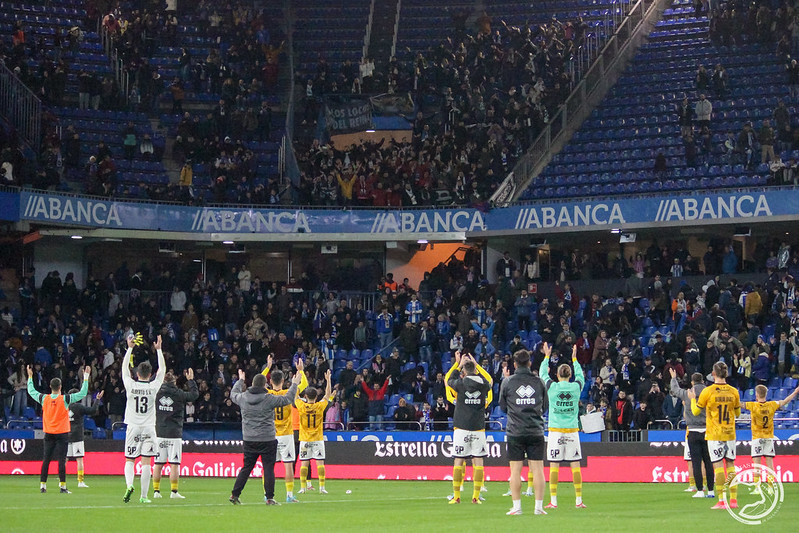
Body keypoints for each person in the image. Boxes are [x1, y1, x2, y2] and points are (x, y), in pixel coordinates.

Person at [229, 364, 301, 505]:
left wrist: (240, 381)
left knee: (246, 468)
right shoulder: (268, 398)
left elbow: (232, 395)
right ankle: (269, 498)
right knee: (268, 468)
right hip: (267, 438)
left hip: (249, 438)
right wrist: (294, 384)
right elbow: (287, 399)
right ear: (265, 385)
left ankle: (234, 494)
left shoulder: (243, 397)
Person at [27, 364, 91, 493]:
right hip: (62, 433)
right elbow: (83, 393)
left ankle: (43, 486)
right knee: (61, 460)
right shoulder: (66, 399)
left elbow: (31, 391)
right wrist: (86, 377)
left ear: (50, 387)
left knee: (46, 460)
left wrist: (30, 377)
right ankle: (62, 486)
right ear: (60, 387)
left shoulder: (44, 398)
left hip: (49, 433)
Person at [499, 350, 548, 516]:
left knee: (515, 471)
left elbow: (503, 407)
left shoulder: (507, 382)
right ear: (529, 363)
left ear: (514, 364)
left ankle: (517, 507)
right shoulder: (539, 382)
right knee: (538, 469)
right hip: (535, 430)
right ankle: (539, 507)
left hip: (515, 431)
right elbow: (545, 406)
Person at [688, 361, 741, 510]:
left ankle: (722, 501)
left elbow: (696, 412)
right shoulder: (733, 391)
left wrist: (693, 399)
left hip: (714, 434)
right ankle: (734, 501)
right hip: (730, 433)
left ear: (713, 374)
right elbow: (737, 413)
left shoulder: (708, 391)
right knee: (731, 466)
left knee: (718, 468)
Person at [540, 343, 586, 509]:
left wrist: (546, 357)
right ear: (570, 374)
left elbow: (542, 374)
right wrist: (575, 359)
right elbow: (581, 377)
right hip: (572, 431)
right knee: (575, 466)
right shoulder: (575, 387)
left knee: (554, 466)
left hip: (555, 431)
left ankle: (553, 501)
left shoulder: (551, 387)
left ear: (557, 375)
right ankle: (578, 500)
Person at [122, 334, 166, 504]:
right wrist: (159, 350)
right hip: (149, 427)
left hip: (133, 426)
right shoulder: (154, 387)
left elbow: (124, 370)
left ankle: (129, 484)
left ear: (137, 373)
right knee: (147, 462)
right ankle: (144, 496)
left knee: (130, 459)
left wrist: (130, 347)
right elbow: (161, 371)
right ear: (150, 374)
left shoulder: (131, 386)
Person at [446, 351, 492, 504]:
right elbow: (490, 381)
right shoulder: (483, 384)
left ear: (464, 371)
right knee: (478, 461)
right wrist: (476, 365)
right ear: (475, 369)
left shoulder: (460, 383)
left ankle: (457, 496)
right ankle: (476, 496)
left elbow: (449, 380)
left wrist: (458, 365)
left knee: (459, 461)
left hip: (461, 427)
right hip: (478, 427)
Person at [263, 356, 307, 503]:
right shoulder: (289, 393)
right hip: (287, 434)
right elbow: (304, 384)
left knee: (269, 466)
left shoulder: (267, 394)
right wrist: (300, 371)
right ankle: (289, 495)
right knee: (288, 464)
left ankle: (266, 494)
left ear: (270, 381)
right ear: (283, 381)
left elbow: (257, 383)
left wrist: (268, 367)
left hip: (271, 434)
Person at [153, 368, 198, 499]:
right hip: (174, 433)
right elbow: (194, 395)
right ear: (175, 381)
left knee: (158, 463)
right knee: (174, 464)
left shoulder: (157, 393)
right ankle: (173, 492)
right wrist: (191, 381)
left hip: (160, 432)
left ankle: (156, 491)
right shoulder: (178, 394)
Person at [670, 369, 714, 498]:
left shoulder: (688, 393)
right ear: (703, 381)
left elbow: (675, 391)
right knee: (708, 461)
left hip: (693, 431)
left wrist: (674, 378)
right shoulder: (709, 392)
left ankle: (700, 490)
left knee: (696, 462)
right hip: (708, 431)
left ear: (692, 382)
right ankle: (711, 490)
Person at [745, 384, 799, 476]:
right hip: (769, 437)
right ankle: (771, 488)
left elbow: (738, 404)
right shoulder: (772, 404)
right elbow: (785, 401)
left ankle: (757, 488)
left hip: (757, 437)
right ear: (766, 394)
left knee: (757, 465)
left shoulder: (752, 405)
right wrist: (795, 392)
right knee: (770, 464)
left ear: (757, 394)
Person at [295, 369, 334, 494]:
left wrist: (296, 381)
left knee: (304, 464)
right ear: (316, 396)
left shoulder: (301, 405)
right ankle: (322, 487)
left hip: (305, 439)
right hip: (317, 438)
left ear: (305, 396)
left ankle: (302, 488)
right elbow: (328, 395)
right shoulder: (319, 406)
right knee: (320, 463)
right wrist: (328, 380)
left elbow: (294, 396)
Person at [67, 389, 104, 488]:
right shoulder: (79, 407)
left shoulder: (64, 406)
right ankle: (80, 481)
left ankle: (62, 481)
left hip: (66, 435)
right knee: (79, 459)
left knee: (64, 459)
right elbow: (92, 411)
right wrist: (97, 400)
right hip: (77, 436)